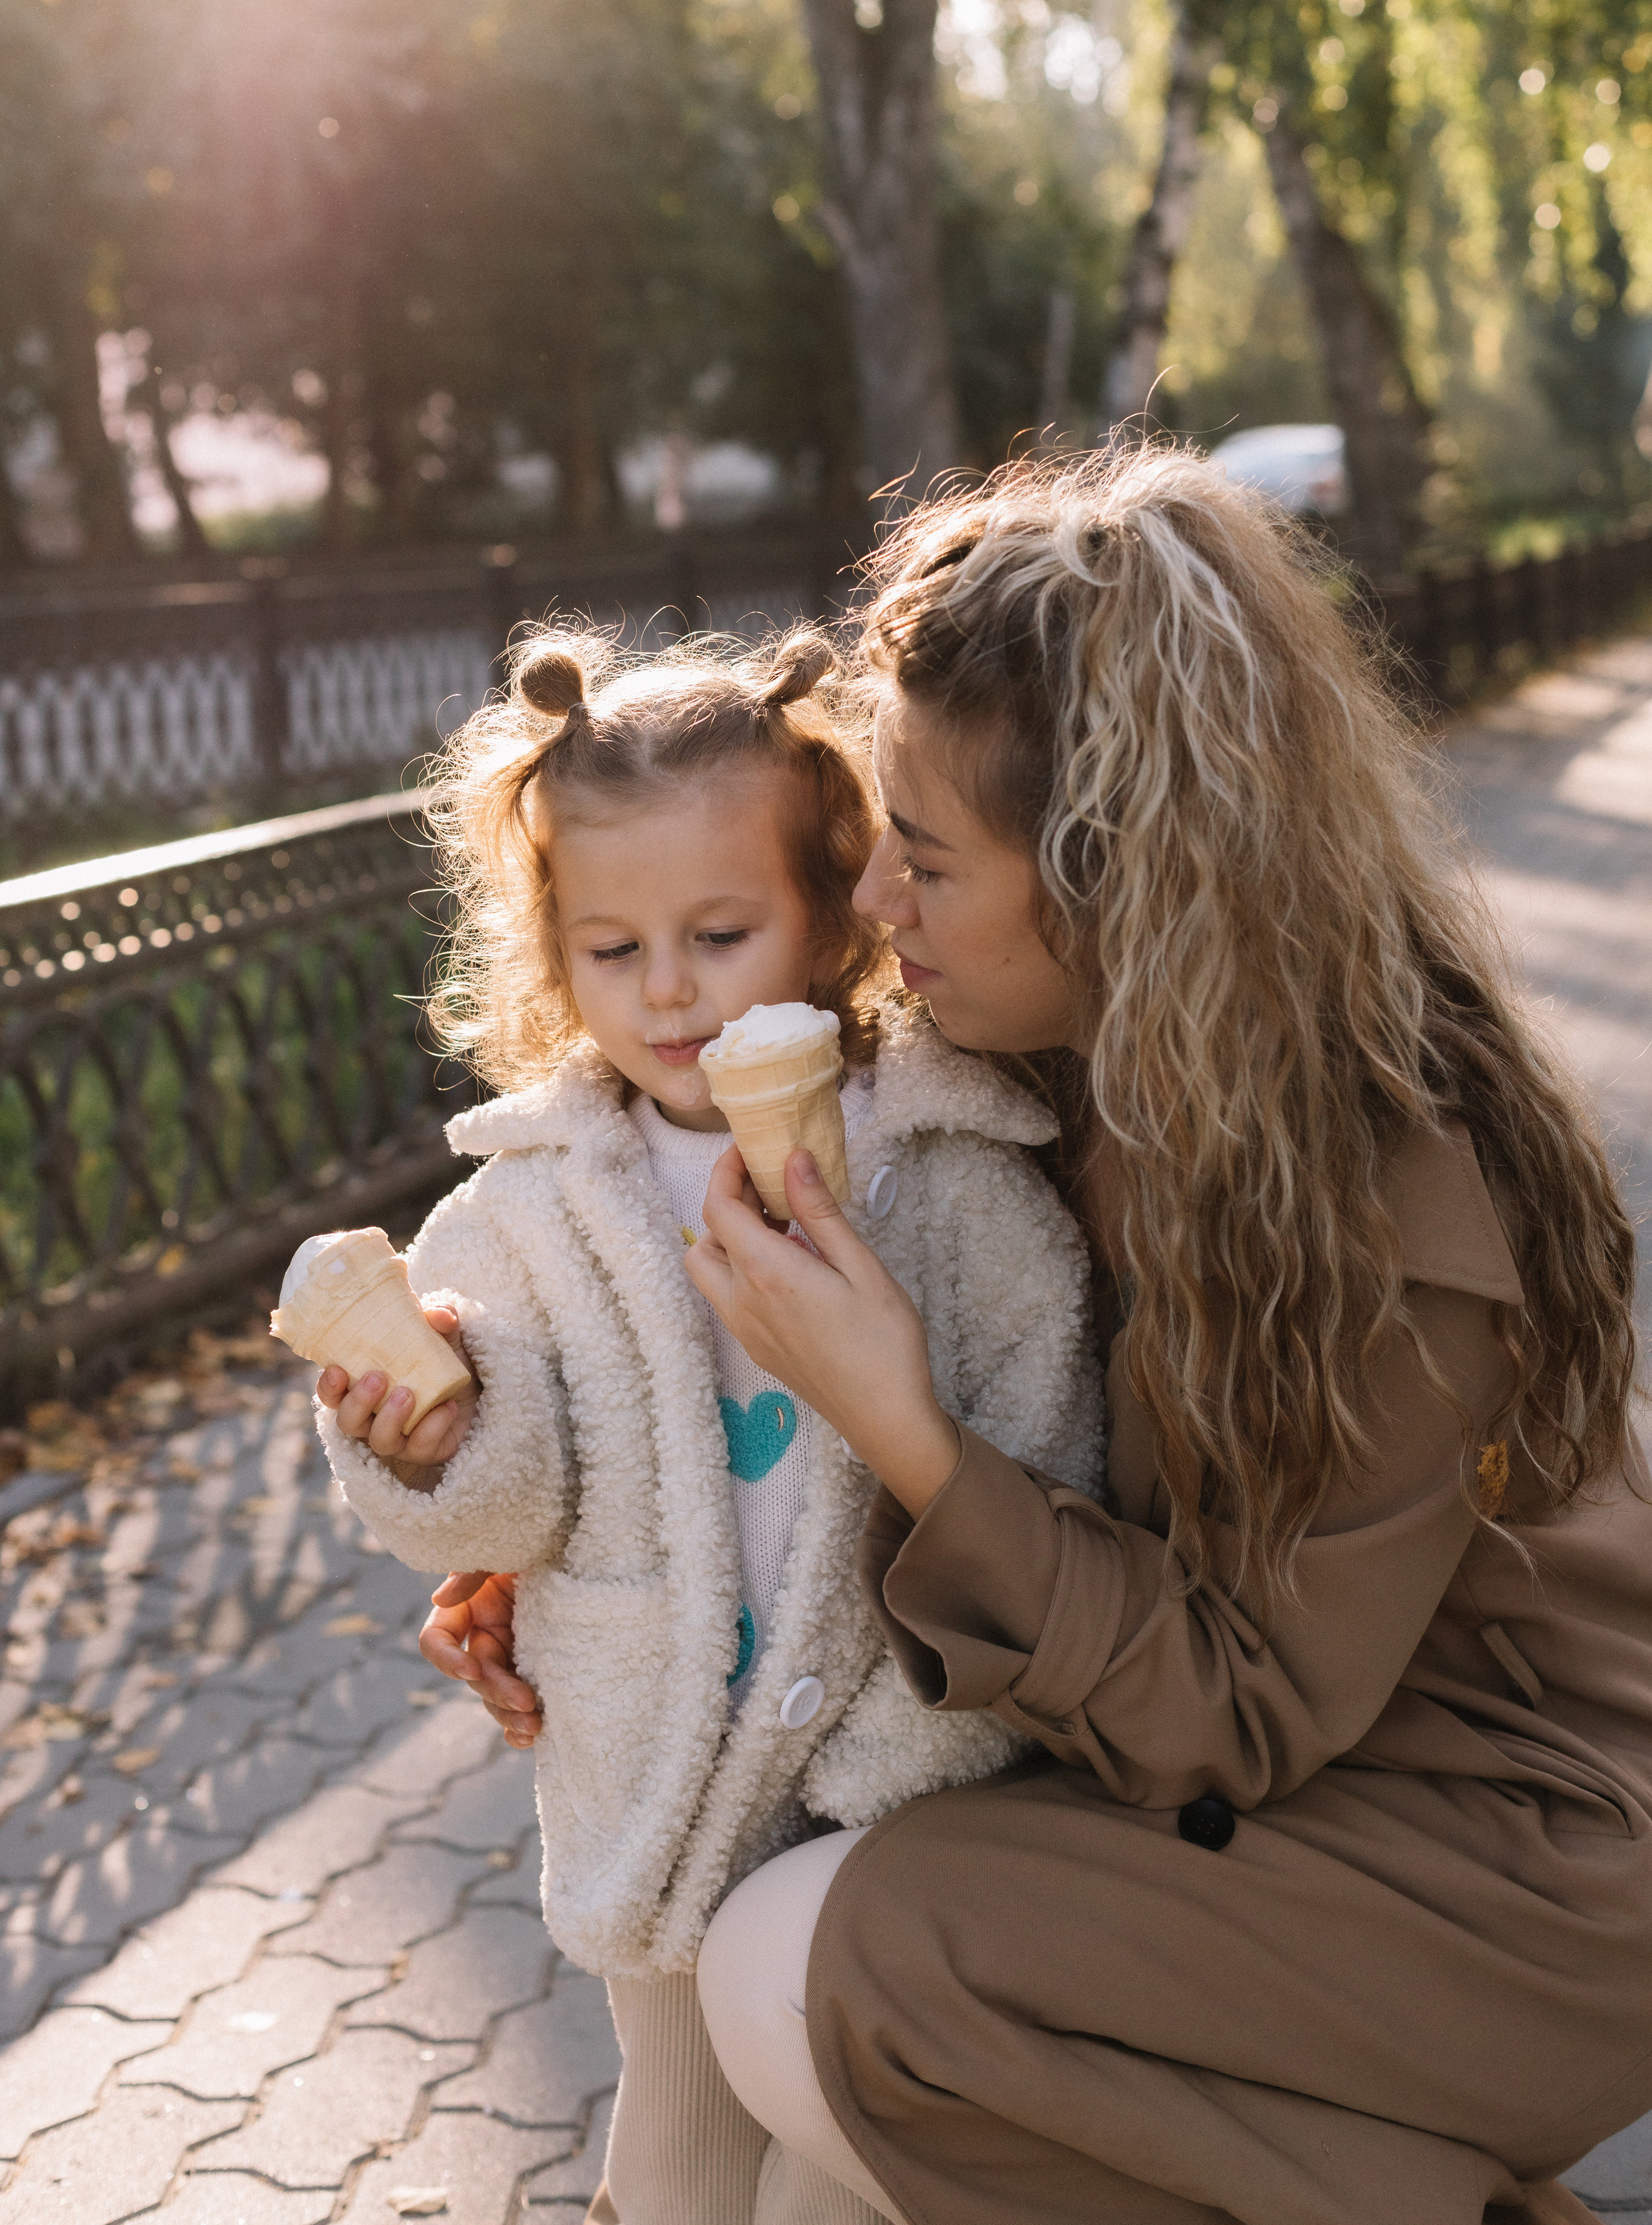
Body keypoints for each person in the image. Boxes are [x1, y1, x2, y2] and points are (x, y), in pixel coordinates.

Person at [430, 451, 1649, 2225]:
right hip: (1249, 1800)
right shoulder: (1038, 1068)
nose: (871, 906)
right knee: (808, 2136)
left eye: (922, 859)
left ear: (1110, 879)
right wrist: (592, 1560)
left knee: (805, 1975)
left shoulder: (1392, 1192)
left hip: (1499, 1878)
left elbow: (1238, 1710)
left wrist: (909, 1436)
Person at [310, 624, 1105, 2225]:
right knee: (674, 2164)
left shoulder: (953, 1171)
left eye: (720, 934)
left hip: (892, 1791)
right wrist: (431, 1448)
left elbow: (1044, 1454)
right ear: (554, 954)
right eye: (612, 950)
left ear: (830, 911)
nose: (667, 990)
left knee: (838, 2173)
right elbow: (512, 1504)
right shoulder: (523, 1214)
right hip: (658, 1789)